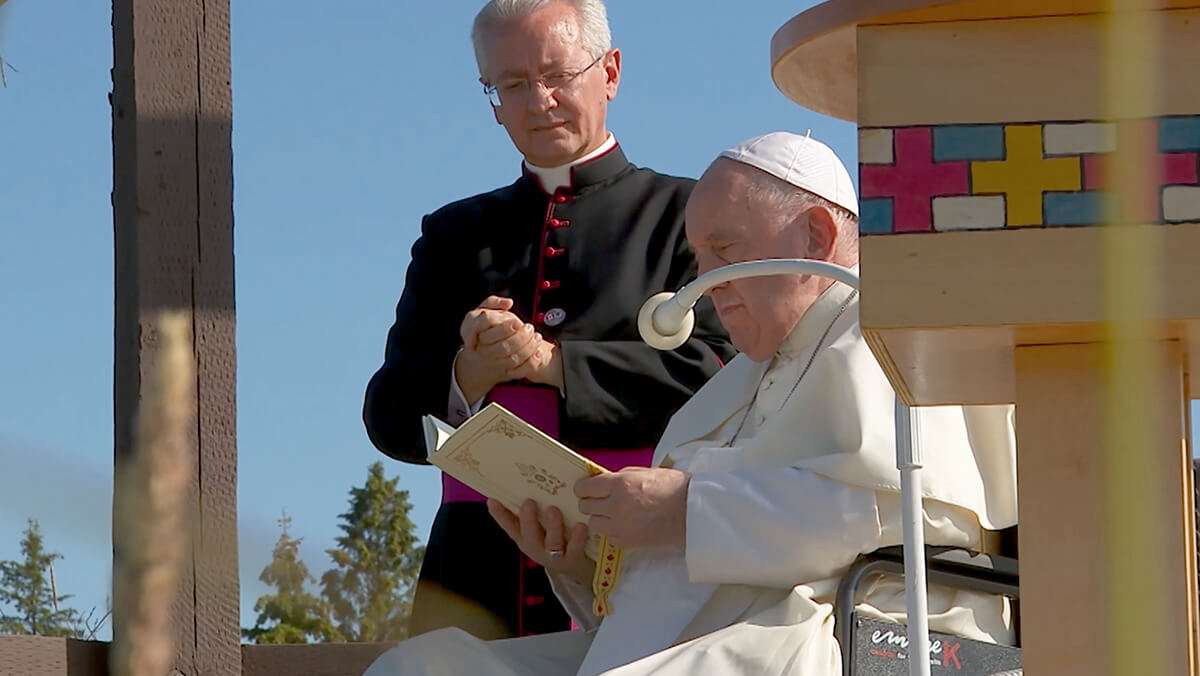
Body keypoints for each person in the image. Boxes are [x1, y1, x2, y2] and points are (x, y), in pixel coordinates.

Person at [361, 131, 1019, 676]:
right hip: (717, 636)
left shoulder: (891, 335)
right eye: (699, 259)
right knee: (419, 669)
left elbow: (914, 515)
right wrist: (582, 559)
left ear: (816, 237)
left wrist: (685, 510)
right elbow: (680, 578)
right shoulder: (737, 380)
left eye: (725, 253)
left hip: (838, 631)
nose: (706, 285)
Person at [362, 0, 735, 640]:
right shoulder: (454, 236)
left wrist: (551, 364)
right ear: (493, 103)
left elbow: (724, 374)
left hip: (647, 560)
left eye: (557, 75)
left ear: (609, 72)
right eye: (511, 84)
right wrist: (469, 374)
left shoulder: (688, 215)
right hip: (477, 573)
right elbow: (389, 417)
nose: (539, 101)